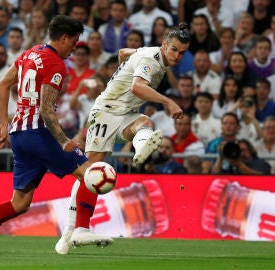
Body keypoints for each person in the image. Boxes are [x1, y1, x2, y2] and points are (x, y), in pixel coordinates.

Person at [0, 14, 95, 256]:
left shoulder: (30, 53)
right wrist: (65, 141)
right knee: (90, 174)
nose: (75, 47)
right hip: (39, 133)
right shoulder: (56, 64)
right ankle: (82, 229)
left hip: (19, 135)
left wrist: (3, 125)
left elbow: (2, 84)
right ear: (63, 37)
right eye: (74, 41)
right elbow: (46, 110)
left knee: (20, 203)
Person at [55, 22, 190, 255]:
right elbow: (138, 88)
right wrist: (168, 101)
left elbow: (122, 53)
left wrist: (121, 73)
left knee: (146, 124)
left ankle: (140, 148)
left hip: (125, 113)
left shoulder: (148, 53)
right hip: (106, 112)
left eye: (182, 52)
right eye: (174, 49)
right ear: (164, 44)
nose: (177, 56)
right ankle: (74, 230)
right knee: (91, 171)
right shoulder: (150, 60)